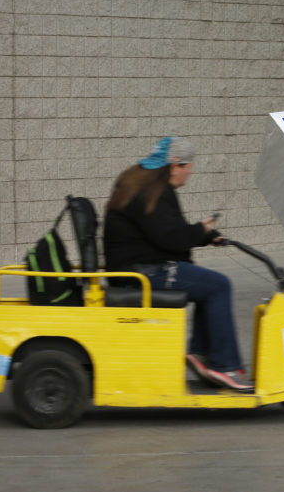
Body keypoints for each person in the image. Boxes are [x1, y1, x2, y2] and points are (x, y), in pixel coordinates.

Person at [103, 136, 254, 392]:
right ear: (175, 165)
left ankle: (202, 354)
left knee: (207, 283)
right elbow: (171, 238)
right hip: (143, 272)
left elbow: (164, 231)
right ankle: (224, 366)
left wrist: (203, 235)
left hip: (133, 266)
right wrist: (200, 231)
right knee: (218, 285)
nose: (190, 172)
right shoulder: (155, 192)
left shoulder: (139, 181)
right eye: (188, 166)